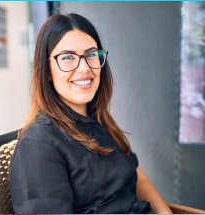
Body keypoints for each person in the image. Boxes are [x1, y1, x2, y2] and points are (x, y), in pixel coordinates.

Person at [10, 13, 172, 214]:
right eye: (68, 57)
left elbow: (140, 179)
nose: (85, 68)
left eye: (91, 54)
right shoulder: (38, 145)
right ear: (46, 70)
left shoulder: (100, 119)